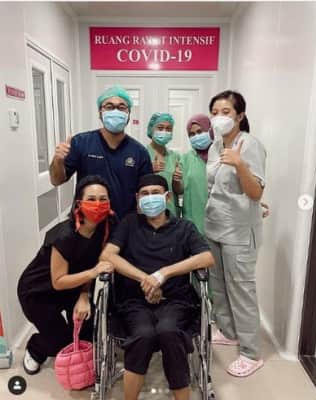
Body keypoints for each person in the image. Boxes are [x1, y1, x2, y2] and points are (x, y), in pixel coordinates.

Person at [101, 174, 214, 400]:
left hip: (175, 301)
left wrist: (163, 274)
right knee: (143, 334)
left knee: (169, 332)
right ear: (137, 198)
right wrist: (146, 279)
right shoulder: (129, 224)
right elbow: (108, 255)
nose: (150, 198)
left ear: (167, 197)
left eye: (155, 193)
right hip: (134, 301)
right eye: (145, 194)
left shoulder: (184, 227)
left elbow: (207, 257)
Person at [17, 175, 115, 375]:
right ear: (79, 204)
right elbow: (58, 281)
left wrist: (84, 295)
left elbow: (88, 263)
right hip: (39, 291)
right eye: (91, 199)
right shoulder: (64, 235)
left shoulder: (104, 229)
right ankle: (36, 348)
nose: (98, 204)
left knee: (87, 330)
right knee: (59, 341)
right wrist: (93, 272)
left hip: (73, 286)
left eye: (103, 199)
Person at [205, 90, 267, 377]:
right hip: (215, 225)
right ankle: (229, 332)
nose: (219, 117)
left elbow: (255, 192)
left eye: (226, 112)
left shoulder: (250, 145)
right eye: (215, 112)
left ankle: (251, 353)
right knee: (218, 285)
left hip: (239, 232)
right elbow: (218, 187)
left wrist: (240, 164)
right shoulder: (216, 145)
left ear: (240, 116)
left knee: (241, 290)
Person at [49, 85, 152, 218]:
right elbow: (56, 180)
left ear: (128, 114)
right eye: (109, 107)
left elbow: (145, 193)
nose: (115, 111)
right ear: (100, 113)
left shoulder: (139, 152)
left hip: (123, 224)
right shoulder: (81, 142)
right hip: (87, 223)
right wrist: (58, 160)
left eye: (121, 107)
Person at [177, 114, 214, 234]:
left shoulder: (221, 155)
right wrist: (176, 180)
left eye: (200, 131)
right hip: (194, 220)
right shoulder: (186, 159)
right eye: (192, 134)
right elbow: (179, 190)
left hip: (219, 221)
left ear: (210, 130)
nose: (196, 136)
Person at [146, 112, 183, 217]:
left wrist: (177, 180)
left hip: (171, 211)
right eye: (160, 128)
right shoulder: (143, 154)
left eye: (168, 129)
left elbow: (179, 191)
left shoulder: (175, 156)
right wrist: (148, 170)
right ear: (151, 129)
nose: (164, 132)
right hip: (150, 210)